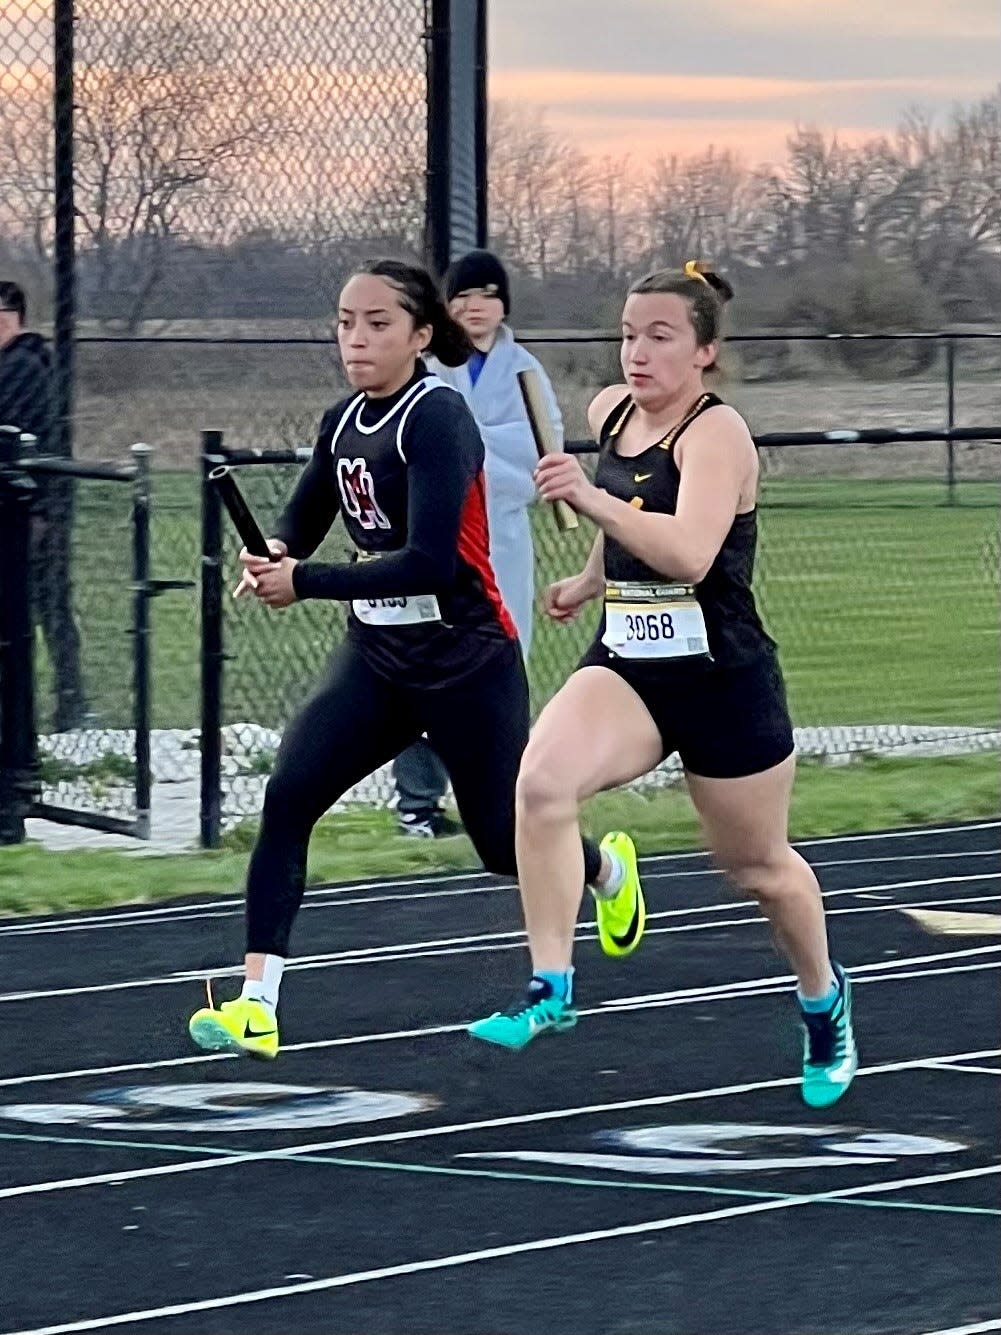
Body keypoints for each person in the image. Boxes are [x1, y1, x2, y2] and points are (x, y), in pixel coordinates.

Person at [186, 260, 626, 1060]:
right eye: (345, 322)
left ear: (421, 335)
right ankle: (257, 1004)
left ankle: (601, 870)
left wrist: (305, 582)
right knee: (287, 797)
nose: (356, 338)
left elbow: (429, 562)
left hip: (465, 659)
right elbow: (310, 506)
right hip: (378, 657)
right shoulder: (345, 417)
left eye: (377, 323)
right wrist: (279, 550)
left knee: (500, 841)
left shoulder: (438, 419)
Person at [468, 261, 858, 1111]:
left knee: (753, 865)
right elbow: (625, 518)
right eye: (626, 335)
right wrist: (586, 581)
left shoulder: (718, 436)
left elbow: (686, 552)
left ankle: (822, 998)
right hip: (630, 665)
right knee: (538, 782)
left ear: (705, 351)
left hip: (722, 678)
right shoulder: (611, 412)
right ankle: (550, 984)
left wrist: (588, 504)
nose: (636, 354)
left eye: (659, 337)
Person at [392, 249, 562, 838]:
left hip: (503, 540)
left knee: (495, 668)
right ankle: (417, 803)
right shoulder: (425, 367)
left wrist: (467, 441)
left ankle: (496, 801)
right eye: (463, 297)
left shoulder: (525, 371)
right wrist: (468, 445)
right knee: (421, 661)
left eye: (487, 296)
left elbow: (540, 451)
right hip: (438, 537)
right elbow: (412, 444)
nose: (476, 308)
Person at [0, 281, 85, 731]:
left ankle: (67, 703)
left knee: (44, 608)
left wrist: (42, 514)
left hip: (32, 513)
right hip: (32, 510)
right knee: (44, 609)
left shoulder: (22, 367)